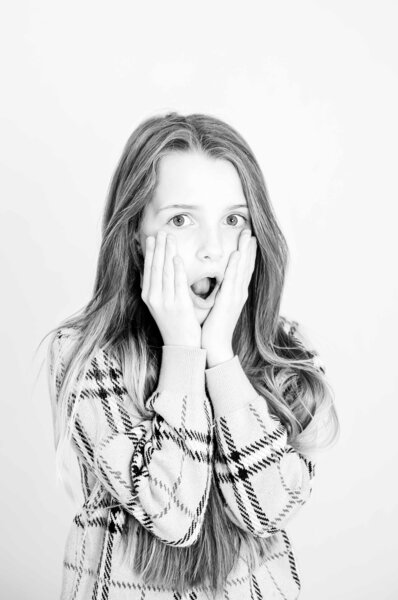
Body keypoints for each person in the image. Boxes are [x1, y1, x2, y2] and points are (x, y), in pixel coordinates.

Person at [44, 112, 339, 600]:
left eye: (233, 219)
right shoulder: (85, 356)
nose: (213, 249)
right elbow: (173, 518)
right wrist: (183, 352)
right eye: (181, 219)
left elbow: (266, 512)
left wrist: (220, 356)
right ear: (137, 234)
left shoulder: (287, 354)